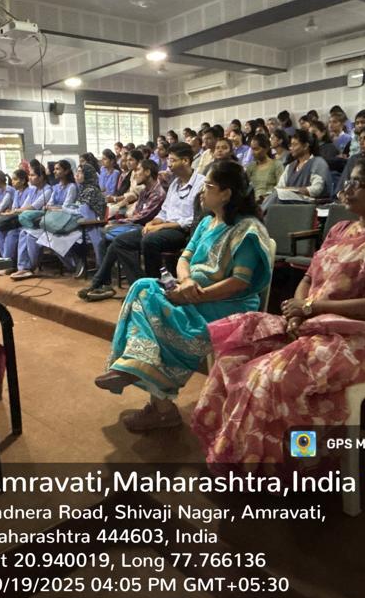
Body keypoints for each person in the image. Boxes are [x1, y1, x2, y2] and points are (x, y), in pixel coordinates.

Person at [191, 153, 365, 464]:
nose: (347, 188)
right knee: (233, 358)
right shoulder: (341, 230)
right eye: (349, 180)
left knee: (268, 377)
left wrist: (310, 308)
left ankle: (294, 462)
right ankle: (236, 454)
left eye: (359, 183)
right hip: (312, 323)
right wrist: (300, 310)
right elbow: (309, 277)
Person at [94, 161, 273, 432]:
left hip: (227, 303)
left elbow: (239, 282)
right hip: (192, 292)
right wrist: (187, 281)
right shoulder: (206, 223)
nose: (202, 191)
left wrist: (194, 296)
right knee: (144, 287)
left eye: (209, 186)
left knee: (157, 311)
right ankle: (139, 372)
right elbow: (184, 258)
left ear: (226, 193)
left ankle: (155, 397)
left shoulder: (246, 230)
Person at [79, 158, 168, 302]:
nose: (135, 174)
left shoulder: (158, 193)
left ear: (148, 172)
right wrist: (118, 221)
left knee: (113, 238)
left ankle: (100, 283)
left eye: (138, 170)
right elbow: (134, 213)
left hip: (146, 227)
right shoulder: (145, 191)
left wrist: (117, 222)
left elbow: (142, 217)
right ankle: (104, 284)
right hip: (135, 225)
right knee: (105, 241)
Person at [0, 165, 50, 273]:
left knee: (14, 233)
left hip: (36, 221)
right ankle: (8, 263)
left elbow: (33, 207)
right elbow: (23, 205)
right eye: (29, 175)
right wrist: (14, 211)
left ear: (41, 177)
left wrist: (14, 211)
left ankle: (19, 266)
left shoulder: (47, 190)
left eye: (32, 175)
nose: (30, 177)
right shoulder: (32, 190)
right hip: (24, 219)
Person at [266, 129, 331, 208]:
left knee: (277, 196)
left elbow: (316, 189)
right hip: (290, 203)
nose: (291, 148)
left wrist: (291, 190)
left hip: (309, 204)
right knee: (275, 194)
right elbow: (279, 187)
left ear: (305, 146)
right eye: (290, 145)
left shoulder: (318, 162)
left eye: (295, 145)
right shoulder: (290, 166)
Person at [332, 122, 365, 196]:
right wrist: (342, 196)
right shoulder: (354, 159)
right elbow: (341, 188)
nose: (361, 142)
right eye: (360, 139)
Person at [245, 133, 282, 204]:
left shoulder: (276, 165)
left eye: (256, 149)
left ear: (266, 148)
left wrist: (266, 198)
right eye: (252, 149)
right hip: (253, 202)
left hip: (270, 202)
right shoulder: (251, 167)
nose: (253, 153)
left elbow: (280, 188)